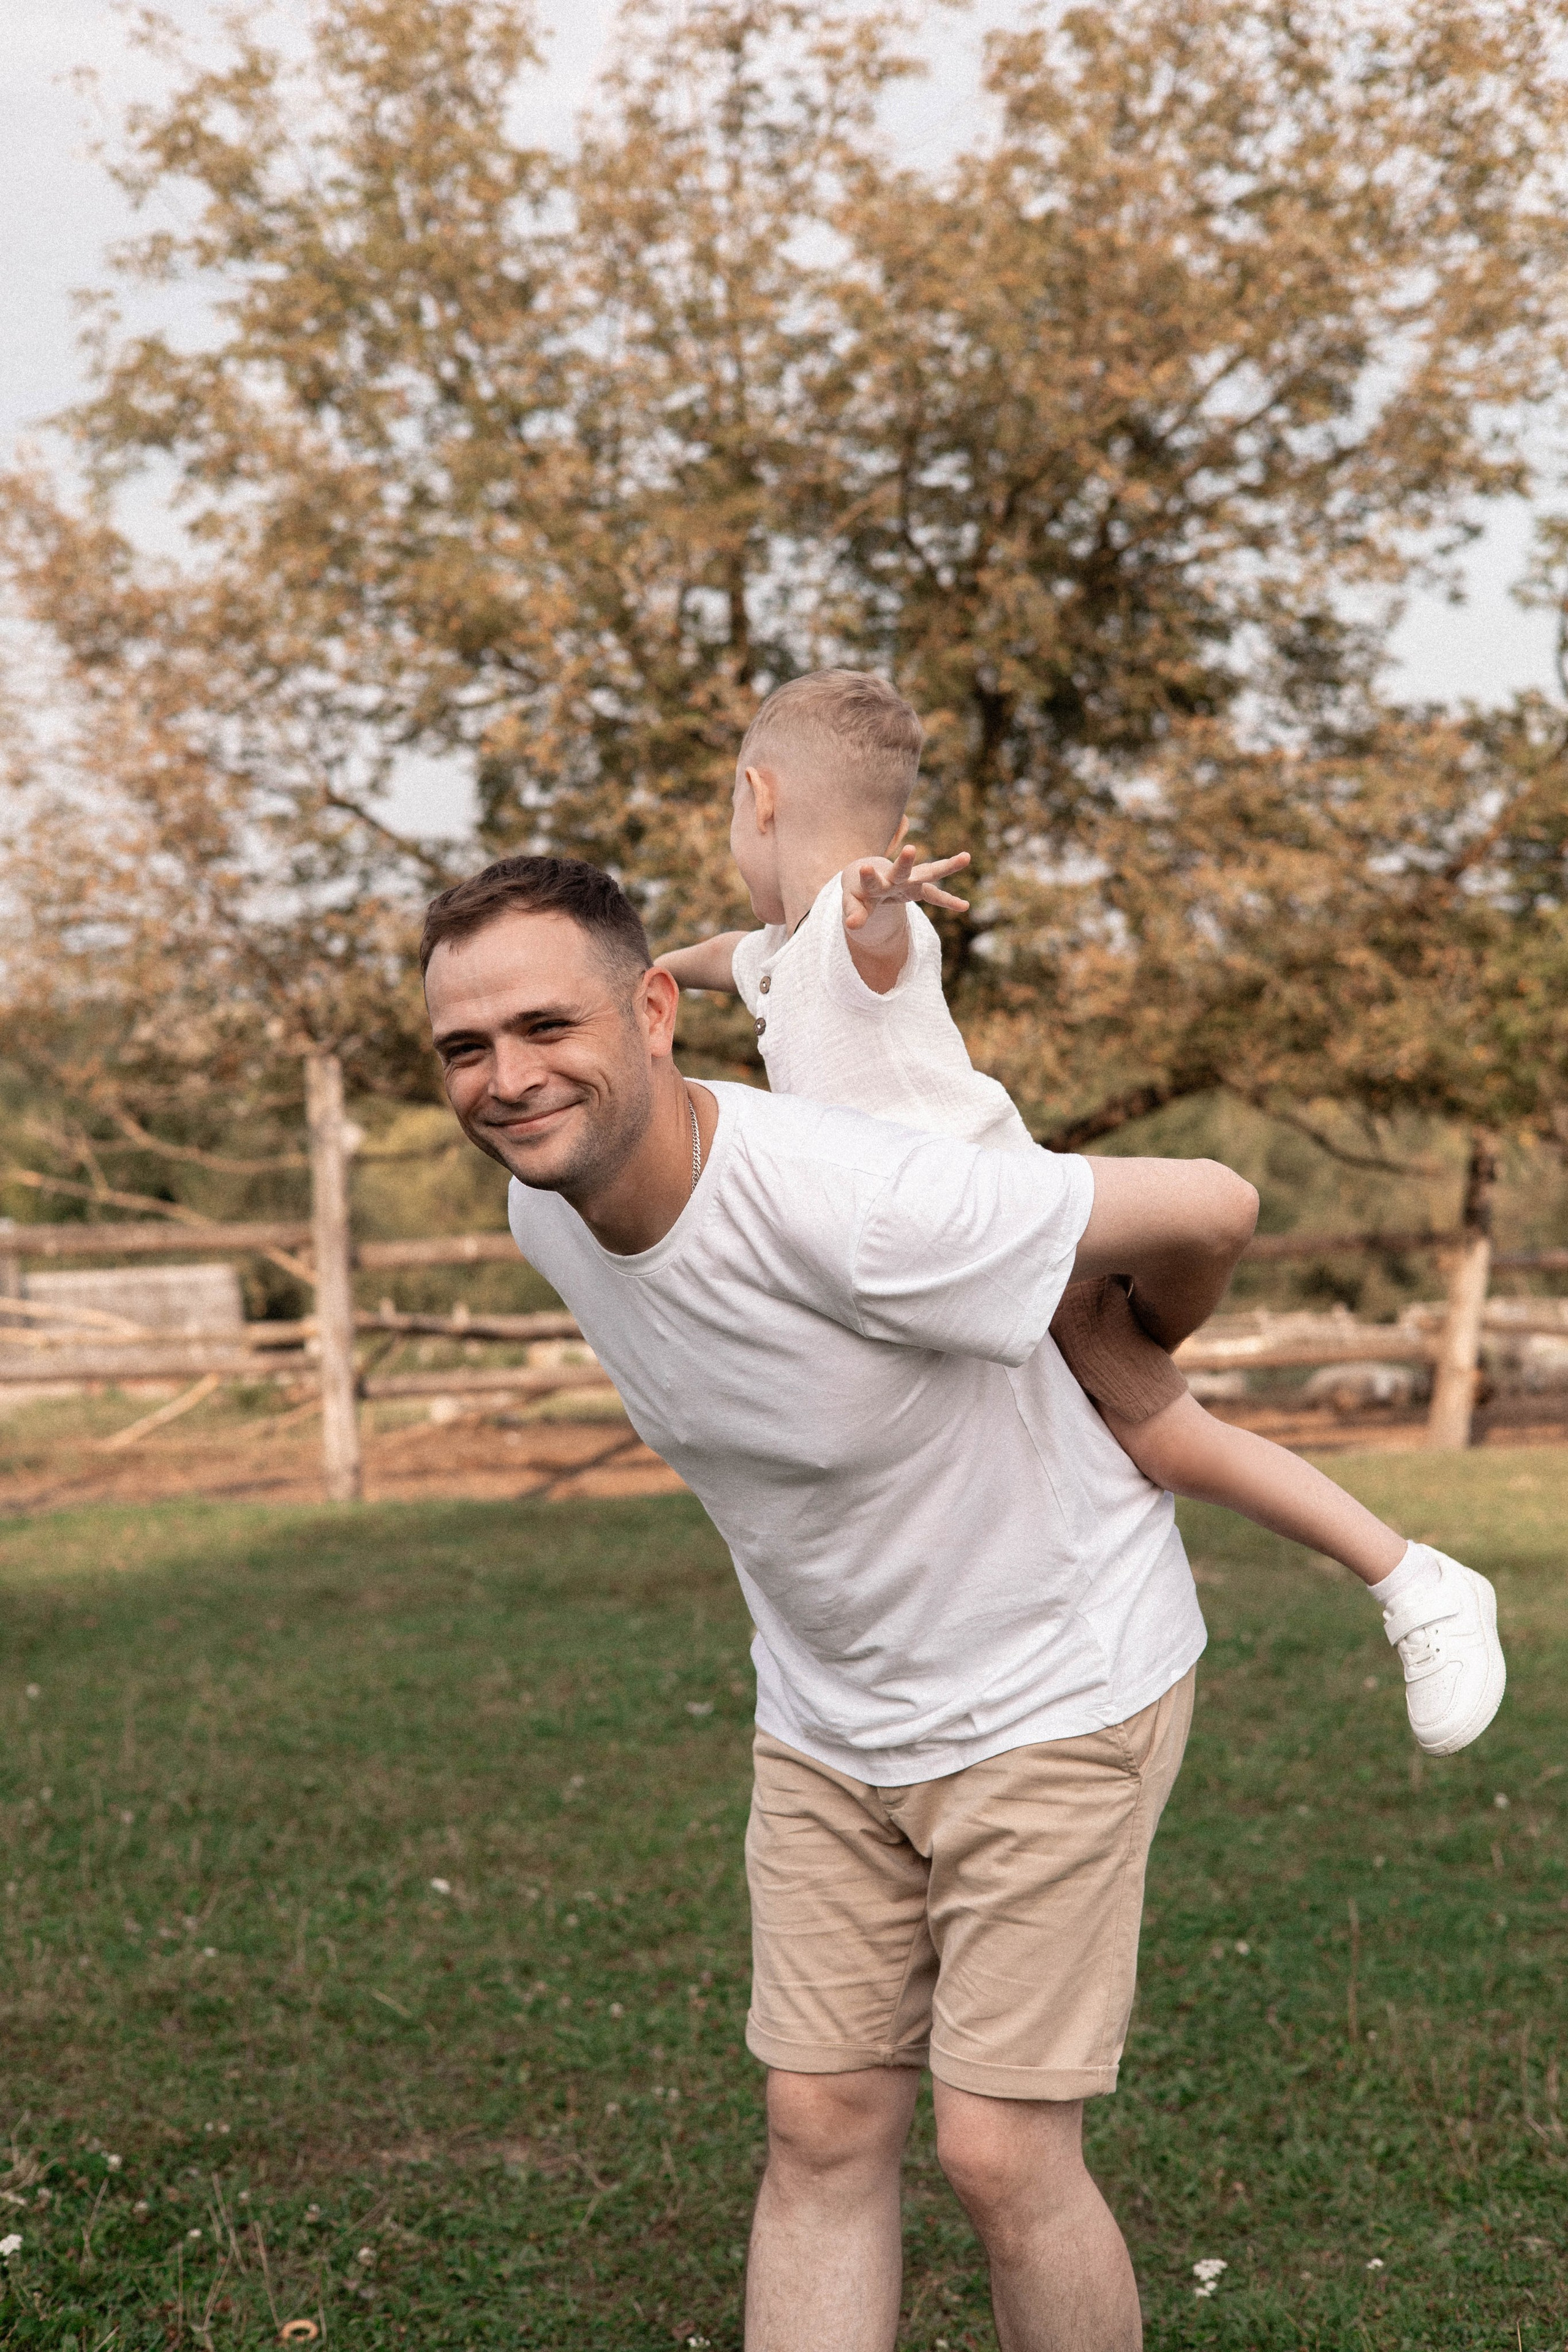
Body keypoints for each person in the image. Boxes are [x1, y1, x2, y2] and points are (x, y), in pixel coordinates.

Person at [425, 850, 1261, 2351]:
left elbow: (1212, 1197)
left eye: (550, 1027)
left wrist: (1130, 1348)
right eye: (466, 1047)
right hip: (828, 1713)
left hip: (1049, 1677)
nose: (507, 1078)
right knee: (818, 2125)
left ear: (654, 1014)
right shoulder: (547, 1214)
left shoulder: (859, 1199)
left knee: (1000, 2153)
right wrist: (790, 941)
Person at [653, 669, 1506, 1760]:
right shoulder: (779, 956)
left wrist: (873, 895)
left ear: (756, 798)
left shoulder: (864, 932)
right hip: (946, 1276)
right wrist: (636, 983)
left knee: (1174, 1441)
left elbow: (871, 945)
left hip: (1025, 1252)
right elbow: (724, 961)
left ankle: (1416, 1582)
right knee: (1112, 1445)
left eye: (733, 817)